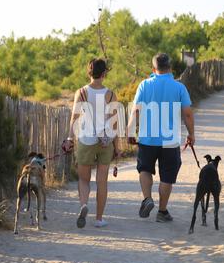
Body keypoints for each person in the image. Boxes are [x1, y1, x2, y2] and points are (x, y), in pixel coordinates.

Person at [128, 53, 195, 223]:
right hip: (170, 140)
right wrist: (191, 134)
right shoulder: (179, 87)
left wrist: (130, 132)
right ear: (170, 68)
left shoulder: (144, 85)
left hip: (147, 138)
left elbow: (136, 110)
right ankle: (162, 211)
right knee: (167, 176)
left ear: (153, 69)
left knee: (145, 169)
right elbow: (187, 114)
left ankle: (147, 198)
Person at [63, 58, 120, 229]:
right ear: (104, 74)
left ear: (89, 72)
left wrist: (70, 138)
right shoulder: (110, 94)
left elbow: (74, 117)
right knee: (102, 182)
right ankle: (99, 219)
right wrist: (117, 147)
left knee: (84, 179)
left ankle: (83, 205)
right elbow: (114, 122)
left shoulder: (81, 92)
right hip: (105, 141)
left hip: (86, 139)